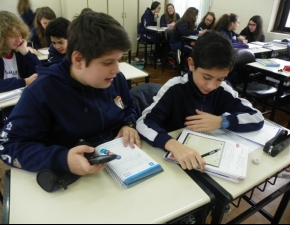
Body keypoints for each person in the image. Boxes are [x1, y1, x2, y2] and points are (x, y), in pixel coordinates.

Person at [0, 11, 141, 176]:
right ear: (78, 59)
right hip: (74, 178)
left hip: (122, 163)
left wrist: (129, 124)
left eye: (118, 60)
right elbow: (8, 146)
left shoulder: (115, 78)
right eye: (107, 62)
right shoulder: (42, 91)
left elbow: (130, 105)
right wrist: (62, 159)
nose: (116, 69)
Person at [136, 30, 264, 173]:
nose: (212, 86)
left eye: (220, 79)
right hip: (174, 159)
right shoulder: (175, 88)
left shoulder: (223, 89)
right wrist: (173, 145)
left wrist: (222, 121)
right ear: (191, 64)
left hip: (206, 159)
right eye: (207, 77)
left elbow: (257, 117)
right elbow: (144, 123)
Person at [0, 11, 40, 122]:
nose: (19, 39)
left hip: (21, 102)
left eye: (20, 34)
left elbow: (40, 72)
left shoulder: (19, 53)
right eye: (13, 36)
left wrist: (26, 52)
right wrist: (24, 82)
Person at [138, 1, 163, 65]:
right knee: (157, 39)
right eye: (158, 8)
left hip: (150, 33)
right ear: (154, 8)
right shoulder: (147, 14)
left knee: (162, 38)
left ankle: (156, 55)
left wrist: (155, 18)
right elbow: (146, 27)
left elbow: (154, 25)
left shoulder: (153, 14)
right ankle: (157, 57)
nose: (159, 9)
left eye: (160, 8)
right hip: (144, 34)